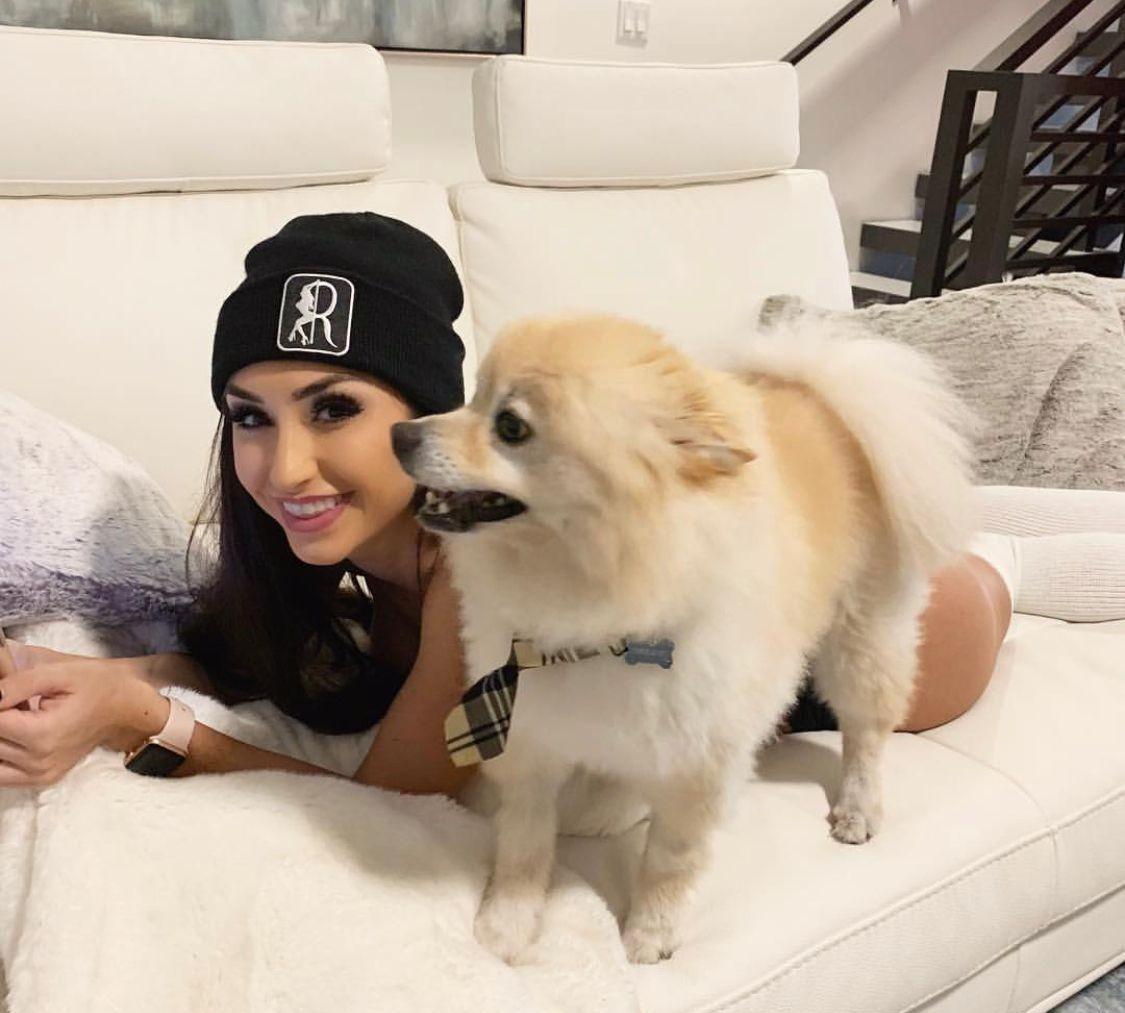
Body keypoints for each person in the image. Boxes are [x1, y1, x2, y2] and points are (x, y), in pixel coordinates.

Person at [0, 211, 1031, 792]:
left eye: (334, 408)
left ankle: (1027, 550)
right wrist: (82, 670)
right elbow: (249, 655)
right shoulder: (346, 552)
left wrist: (142, 719)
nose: (286, 468)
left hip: (913, 631)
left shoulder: (481, 571)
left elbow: (400, 802)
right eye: (251, 417)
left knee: (999, 563)